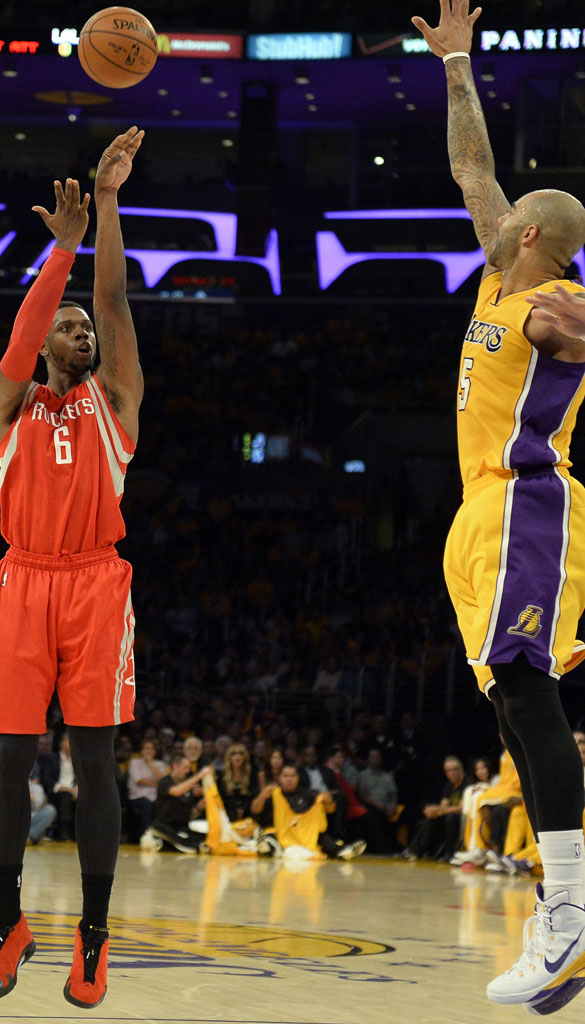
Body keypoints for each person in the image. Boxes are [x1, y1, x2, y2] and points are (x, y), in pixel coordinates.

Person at [412, 1, 585, 1012]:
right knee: (509, 710)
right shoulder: (495, 284)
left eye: (508, 211)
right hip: (477, 518)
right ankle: (556, 911)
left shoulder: (558, 304)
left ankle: (565, 915)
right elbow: (471, 171)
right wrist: (457, 64)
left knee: (529, 698)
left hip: (529, 503)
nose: (491, 209)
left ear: (532, 235)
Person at [0, 127, 145, 1010]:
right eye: (67, 327)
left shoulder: (117, 400)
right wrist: (61, 249)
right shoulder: (10, 402)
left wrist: (106, 208)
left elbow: (113, 301)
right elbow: (25, 325)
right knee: (9, 758)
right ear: (48, 345)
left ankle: (93, 936)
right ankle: (8, 924)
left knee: (94, 760)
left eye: (85, 330)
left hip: (93, 583)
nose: (80, 331)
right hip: (23, 581)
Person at [150, 754, 212, 853]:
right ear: (175, 766)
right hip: (166, 825)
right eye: (185, 767)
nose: (188, 771)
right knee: (191, 845)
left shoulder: (189, 789)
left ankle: (165, 844)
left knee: (205, 838)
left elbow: (190, 815)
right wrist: (200, 775)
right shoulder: (165, 782)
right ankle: (158, 839)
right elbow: (177, 791)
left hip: (181, 826)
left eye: (189, 768)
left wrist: (199, 808)